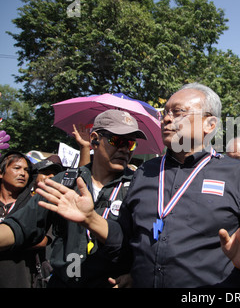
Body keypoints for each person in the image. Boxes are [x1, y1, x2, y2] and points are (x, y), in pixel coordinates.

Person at [34, 83, 240, 287]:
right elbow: (125, 240)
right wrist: (91, 219)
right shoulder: (145, 172)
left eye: (179, 112)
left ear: (209, 125)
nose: (167, 119)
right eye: (165, 113)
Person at [0, 109, 146, 287]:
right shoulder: (64, 182)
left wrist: (136, 274)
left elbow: (150, 245)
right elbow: (21, 227)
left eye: (130, 144)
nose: (124, 149)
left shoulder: (140, 187)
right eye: (117, 140)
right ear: (95, 139)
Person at [0, 151, 41, 287]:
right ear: (1, 173)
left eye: (26, 170)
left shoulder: (33, 204)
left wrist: (9, 239)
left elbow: (42, 240)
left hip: (19, 279)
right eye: (16, 168)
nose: (23, 173)